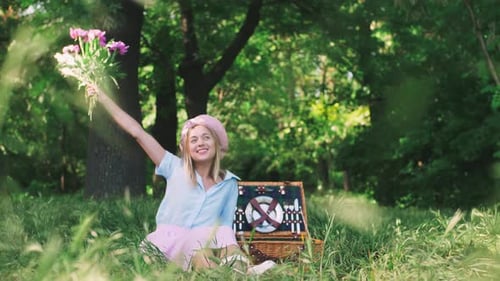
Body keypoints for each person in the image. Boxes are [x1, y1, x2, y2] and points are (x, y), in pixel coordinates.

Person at [85, 85, 276, 275]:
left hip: (206, 240)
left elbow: (225, 225)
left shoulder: (229, 183)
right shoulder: (174, 167)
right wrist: (103, 98)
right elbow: (137, 132)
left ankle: (241, 270)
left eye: (206, 137)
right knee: (202, 251)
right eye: (193, 140)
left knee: (223, 237)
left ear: (217, 145)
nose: (200, 142)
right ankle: (239, 273)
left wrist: (231, 249)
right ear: (186, 149)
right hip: (170, 243)